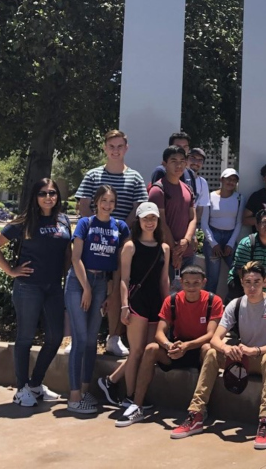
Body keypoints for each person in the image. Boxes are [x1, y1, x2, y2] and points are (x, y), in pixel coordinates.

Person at [170, 261, 266, 450]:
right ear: (241, 283)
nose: (252, 287)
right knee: (211, 353)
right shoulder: (235, 304)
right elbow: (215, 339)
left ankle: (265, 421)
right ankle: (196, 414)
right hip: (245, 356)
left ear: (264, 282)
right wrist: (227, 349)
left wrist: (255, 350)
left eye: (257, 282)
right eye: (248, 282)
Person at [0, 178, 71, 407]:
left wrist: (69, 280)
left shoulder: (63, 220)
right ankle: (21, 388)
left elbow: (67, 254)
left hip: (54, 287)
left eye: (52, 193)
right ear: (35, 197)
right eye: (43, 193)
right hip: (28, 287)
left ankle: (35, 383)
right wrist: (11, 271)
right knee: (25, 337)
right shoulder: (23, 222)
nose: (48, 197)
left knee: (55, 337)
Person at [113, 265, 223, 427]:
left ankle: (199, 409)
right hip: (177, 348)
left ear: (204, 283)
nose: (191, 287)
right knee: (151, 349)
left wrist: (187, 346)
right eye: (187, 283)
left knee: (208, 350)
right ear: (181, 282)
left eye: (196, 283)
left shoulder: (214, 301)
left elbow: (210, 335)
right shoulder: (171, 301)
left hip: (198, 348)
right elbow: (159, 333)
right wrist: (169, 345)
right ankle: (137, 406)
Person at [75, 129, 148, 357]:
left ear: (126, 148)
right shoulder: (92, 175)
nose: (115, 150)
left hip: (120, 243)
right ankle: (76, 336)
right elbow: (84, 206)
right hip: (92, 243)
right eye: (111, 146)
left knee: (117, 289)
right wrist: (95, 232)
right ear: (105, 148)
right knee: (82, 286)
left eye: (120, 146)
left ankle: (113, 338)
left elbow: (137, 209)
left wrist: (117, 233)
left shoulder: (135, 177)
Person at [97, 202, 170, 408]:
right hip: (136, 300)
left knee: (148, 351)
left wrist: (168, 308)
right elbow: (124, 279)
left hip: (156, 301)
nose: (150, 222)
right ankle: (130, 396)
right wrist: (124, 305)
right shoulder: (130, 246)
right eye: (146, 218)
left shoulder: (164, 248)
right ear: (138, 220)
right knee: (136, 351)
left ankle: (111, 381)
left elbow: (164, 280)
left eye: (153, 218)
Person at [65, 185, 130, 413]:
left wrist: (112, 294)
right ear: (96, 201)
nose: (107, 205)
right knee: (80, 340)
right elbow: (75, 258)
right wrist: (86, 289)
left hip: (102, 283)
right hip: (79, 283)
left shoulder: (119, 227)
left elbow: (120, 264)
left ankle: (84, 392)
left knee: (92, 341)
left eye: (111, 201)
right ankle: (73, 398)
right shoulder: (85, 223)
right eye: (104, 200)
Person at [148, 146, 199, 278]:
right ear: (164, 164)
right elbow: (160, 222)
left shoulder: (188, 189)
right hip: (165, 254)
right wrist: (175, 252)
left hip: (187, 254)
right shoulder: (158, 190)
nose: (179, 165)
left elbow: (193, 218)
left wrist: (187, 240)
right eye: (174, 161)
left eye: (182, 161)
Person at [228, 209, 266, 301]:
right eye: (264, 222)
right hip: (244, 284)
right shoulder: (246, 244)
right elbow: (242, 273)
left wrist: (265, 282)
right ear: (257, 226)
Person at [202, 168, 243, 294]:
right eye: (228, 179)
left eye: (234, 180)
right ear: (221, 179)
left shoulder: (239, 198)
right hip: (213, 235)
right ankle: (210, 306)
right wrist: (213, 243)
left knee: (237, 272)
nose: (231, 182)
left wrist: (231, 243)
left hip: (230, 236)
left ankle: (234, 301)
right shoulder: (210, 196)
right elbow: (204, 222)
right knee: (212, 276)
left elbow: (238, 222)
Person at [186, 147, 212, 216]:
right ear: (186, 159)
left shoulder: (203, 183)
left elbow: (199, 210)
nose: (196, 162)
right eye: (193, 158)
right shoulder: (177, 177)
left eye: (200, 160)